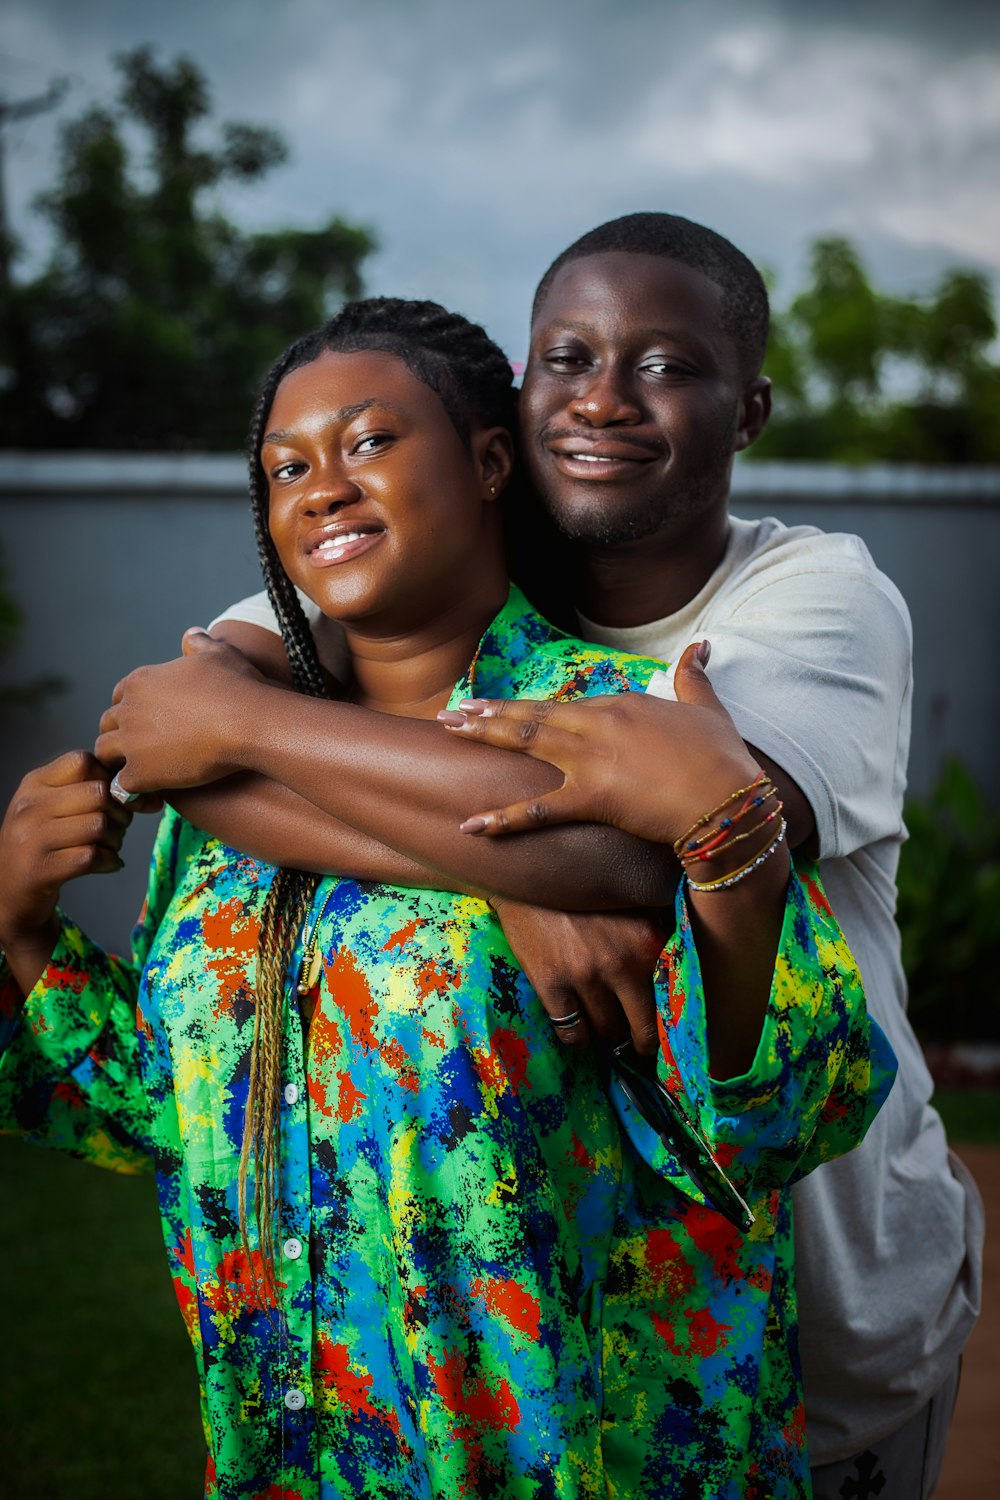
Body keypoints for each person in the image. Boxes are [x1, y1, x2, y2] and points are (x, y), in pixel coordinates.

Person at [0, 297, 892, 1499]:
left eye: (368, 440)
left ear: (485, 460)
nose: (321, 485)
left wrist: (726, 846)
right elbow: (174, 1119)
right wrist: (17, 926)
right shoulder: (222, 785)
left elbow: (782, 1115)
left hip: (581, 1456)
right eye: (284, 466)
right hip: (290, 1459)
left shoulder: (615, 727)